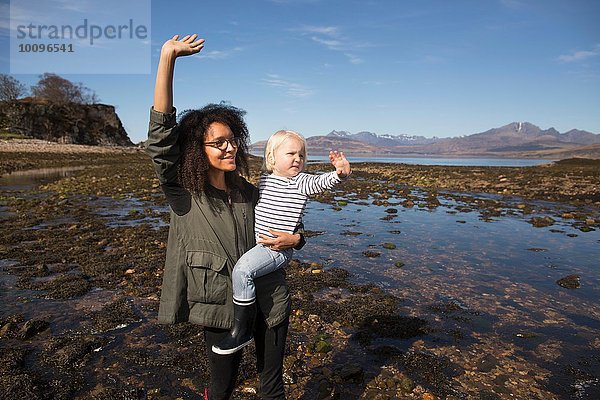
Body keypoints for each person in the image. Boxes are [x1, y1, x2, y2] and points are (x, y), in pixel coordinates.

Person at [145, 34, 305, 400]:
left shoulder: (251, 191)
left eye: (232, 139)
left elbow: (290, 223)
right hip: (218, 306)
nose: (229, 147)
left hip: (270, 298)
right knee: (222, 387)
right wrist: (167, 57)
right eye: (219, 142)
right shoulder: (183, 194)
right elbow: (159, 139)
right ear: (197, 150)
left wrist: (296, 239)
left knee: (272, 385)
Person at [212, 130, 351, 355]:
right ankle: (246, 322)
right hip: (261, 247)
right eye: (291, 153)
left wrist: (340, 174)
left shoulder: (301, 182)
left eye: (302, 155)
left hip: (276, 249)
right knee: (244, 275)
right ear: (272, 157)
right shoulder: (265, 179)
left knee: (242, 271)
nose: (298, 159)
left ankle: (242, 330)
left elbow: (321, 182)